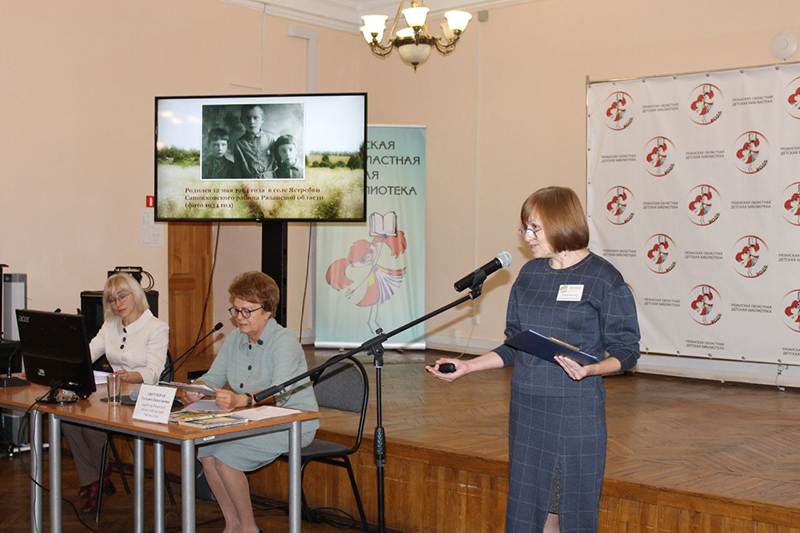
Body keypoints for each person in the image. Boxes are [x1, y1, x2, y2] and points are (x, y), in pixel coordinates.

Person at [427, 186, 640, 532]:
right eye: (525, 228)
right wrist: (469, 366)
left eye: (535, 228)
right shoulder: (529, 275)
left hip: (574, 411)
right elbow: (515, 345)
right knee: (530, 508)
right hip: (527, 407)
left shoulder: (604, 278)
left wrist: (593, 369)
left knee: (567, 506)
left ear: (561, 223)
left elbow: (627, 350)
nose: (527, 237)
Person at [183, 271, 318, 533]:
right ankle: (231, 524)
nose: (239, 317)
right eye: (236, 310)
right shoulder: (235, 338)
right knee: (207, 454)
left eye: (247, 311)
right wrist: (197, 388)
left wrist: (241, 400)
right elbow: (213, 377)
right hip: (249, 420)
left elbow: (281, 392)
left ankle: (249, 528)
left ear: (268, 311)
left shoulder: (284, 341)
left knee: (225, 458)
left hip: (292, 422)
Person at [62, 273, 169, 513]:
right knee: (69, 419)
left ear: (136, 295)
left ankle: (96, 480)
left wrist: (130, 376)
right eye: (111, 300)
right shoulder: (110, 326)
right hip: (113, 394)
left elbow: (153, 372)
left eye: (122, 296)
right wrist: (63, 364)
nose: (118, 303)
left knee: (92, 425)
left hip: (142, 396)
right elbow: (85, 355)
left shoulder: (156, 327)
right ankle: (96, 477)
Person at [233, 105, 276, 179]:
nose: (251, 122)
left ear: (262, 119)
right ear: (242, 120)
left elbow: (278, 162)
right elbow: (238, 170)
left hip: (269, 179)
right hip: (249, 181)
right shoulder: (239, 144)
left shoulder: (270, 139)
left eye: (255, 118)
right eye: (248, 118)